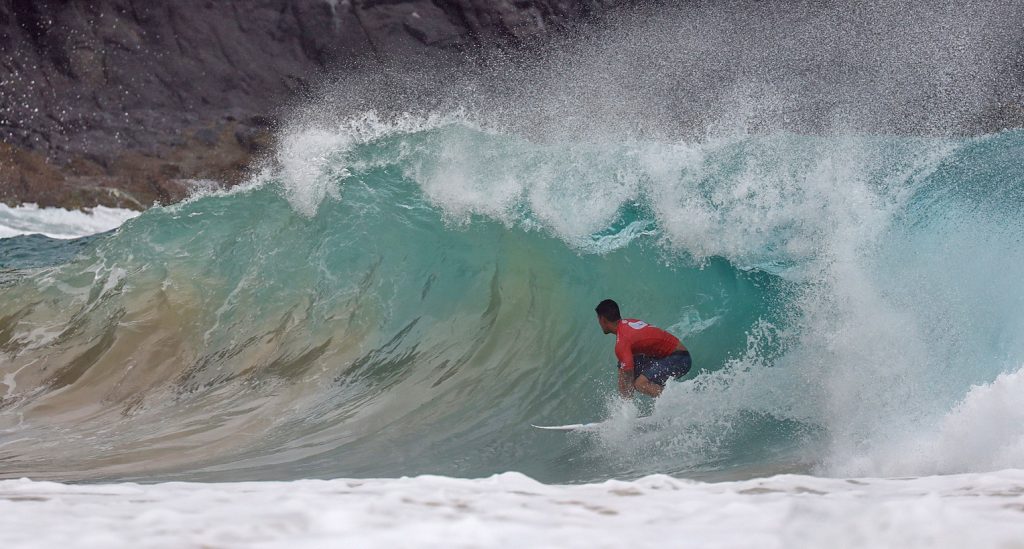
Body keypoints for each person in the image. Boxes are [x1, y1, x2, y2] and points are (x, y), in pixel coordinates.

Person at [595, 299, 692, 398]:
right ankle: (624, 408)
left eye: (598, 319)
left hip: (680, 359)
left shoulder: (622, 342)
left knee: (640, 384)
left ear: (602, 319)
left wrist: (628, 390)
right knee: (622, 364)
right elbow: (625, 370)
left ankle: (679, 401)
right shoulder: (628, 322)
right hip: (669, 356)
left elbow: (628, 374)